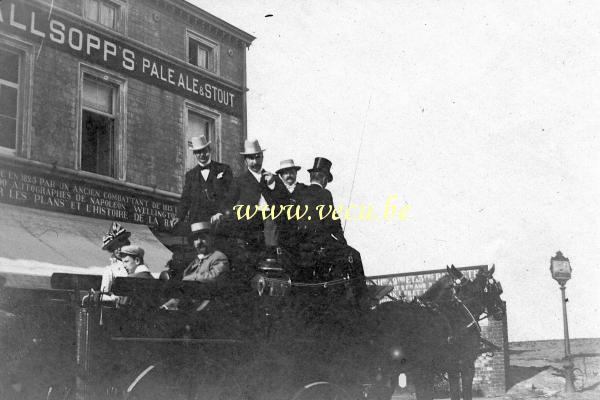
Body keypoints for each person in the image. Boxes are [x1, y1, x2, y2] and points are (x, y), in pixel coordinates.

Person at [228, 139, 285, 250]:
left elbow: (285, 201)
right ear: (245, 160)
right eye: (251, 158)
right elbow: (229, 204)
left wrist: (273, 186)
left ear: (262, 157)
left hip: (272, 229)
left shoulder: (274, 178)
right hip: (249, 229)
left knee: (271, 260)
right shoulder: (239, 181)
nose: (255, 162)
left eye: (257, 157)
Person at [161, 221, 229, 310]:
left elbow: (213, 279)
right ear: (193, 243)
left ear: (211, 239)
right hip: (190, 301)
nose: (199, 242)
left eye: (203, 238)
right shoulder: (195, 260)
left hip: (207, 304)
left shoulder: (219, 256)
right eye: (196, 239)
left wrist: (190, 278)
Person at [173, 136, 233, 228]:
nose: (201, 155)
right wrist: (179, 217)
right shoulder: (190, 175)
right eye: (198, 152)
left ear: (209, 150)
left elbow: (230, 195)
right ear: (194, 154)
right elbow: (185, 199)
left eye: (204, 151)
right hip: (196, 224)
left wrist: (221, 212)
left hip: (218, 224)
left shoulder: (224, 169)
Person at [98, 222, 131, 300]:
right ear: (112, 249)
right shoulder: (110, 270)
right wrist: (116, 299)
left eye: (121, 245)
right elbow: (103, 296)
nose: (119, 249)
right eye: (116, 247)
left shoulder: (137, 266)